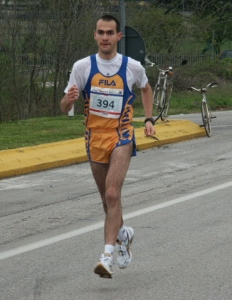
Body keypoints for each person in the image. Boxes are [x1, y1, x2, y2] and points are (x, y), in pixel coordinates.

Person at [60, 14, 156, 278]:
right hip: (94, 137)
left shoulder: (131, 66)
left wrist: (148, 119)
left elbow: (146, 89)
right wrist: (69, 100)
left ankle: (107, 255)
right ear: (95, 35)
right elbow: (64, 106)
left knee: (113, 194)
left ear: (118, 37)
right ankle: (124, 235)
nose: (105, 37)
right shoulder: (82, 66)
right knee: (107, 199)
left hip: (121, 135)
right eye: (100, 32)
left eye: (109, 33)